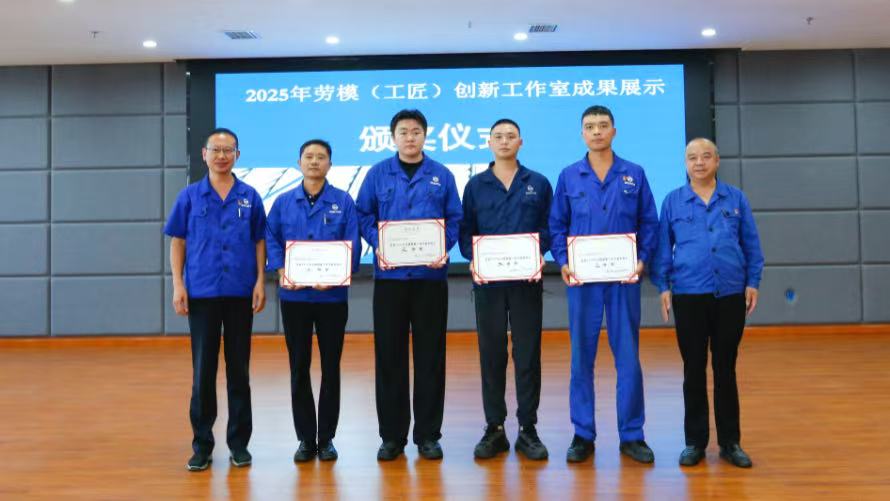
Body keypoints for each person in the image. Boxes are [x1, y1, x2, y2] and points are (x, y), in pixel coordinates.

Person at [549, 105, 659, 464]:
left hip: (623, 279)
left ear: (614, 131)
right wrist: (563, 262)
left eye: (602, 125)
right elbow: (556, 225)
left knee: (628, 358)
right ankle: (583, 434)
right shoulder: (569, 176)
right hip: (583, 281)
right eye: (589, 126)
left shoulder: (634, 174)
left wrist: (642, 258)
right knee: (581, 358)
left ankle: (632, 435)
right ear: (582, 133)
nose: (596, 131)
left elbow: (649, 222)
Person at [356, 109, 462, 461]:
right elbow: (363, 214)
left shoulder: (442, 175)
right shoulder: (377, 174)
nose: (410, 137)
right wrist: (380, 243)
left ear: (425, 135)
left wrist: (442, 246)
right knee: (390, 358)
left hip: (430, 279)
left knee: (431, 357)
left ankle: (428, 435)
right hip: (390, 280)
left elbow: (455, 218)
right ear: (393, 137)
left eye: (416, 131)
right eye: (403, 132)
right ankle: (392, 436)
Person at [651, 138, 763, 468]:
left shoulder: (736, 198)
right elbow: (662, 248)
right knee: (693, 369)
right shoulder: (673, 201)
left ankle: (730, 442)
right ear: (685, 163)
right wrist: (663, 286)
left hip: (730, 294)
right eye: (692, 157)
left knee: (725, 368)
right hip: (689, 294)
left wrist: (752, 282)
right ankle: (695, 442)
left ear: (717, 160)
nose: (699, 162)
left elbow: (752, 244)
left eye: (705, 156)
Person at [164, 128, 267, 471]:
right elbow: (178, 242)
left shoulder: (250, 196)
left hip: (240, 293)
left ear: (238, 155)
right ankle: (202, 445)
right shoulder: (190, 196)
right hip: (202, 293)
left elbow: (259, 241)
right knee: (203, 372)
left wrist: (260, 281)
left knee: (239, 372)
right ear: (204, 154)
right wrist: (178, 284)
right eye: (216, 150)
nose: (222, 156)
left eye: (228, 150)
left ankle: (239, 444)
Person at [458, 119, 552, 460]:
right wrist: (475, 257)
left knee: (527, 356)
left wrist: (535, 251)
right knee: (492, 356)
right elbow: (465, 232)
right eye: (498, 136)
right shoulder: (475, 186)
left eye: (511, 136)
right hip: (489, 285)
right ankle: (494, 428)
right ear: (489, 142)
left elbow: (549, 228)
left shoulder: (538, 183)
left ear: (520, 142)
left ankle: (528, 429)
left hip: (526, 283)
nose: (504, 141)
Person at [265, 139, 361, 463]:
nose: (315, 161)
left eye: (321, 157)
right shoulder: (283, 202)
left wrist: (336, 273)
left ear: (330, 164)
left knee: (331, 366)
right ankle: (306, 438)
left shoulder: (343, 201)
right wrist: (281, 268)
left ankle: (327, 438)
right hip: (295, 296)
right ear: (299, 162)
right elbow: (271, 238)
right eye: (309, 156)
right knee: (299, 366)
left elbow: (353, 243)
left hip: (332, 296)